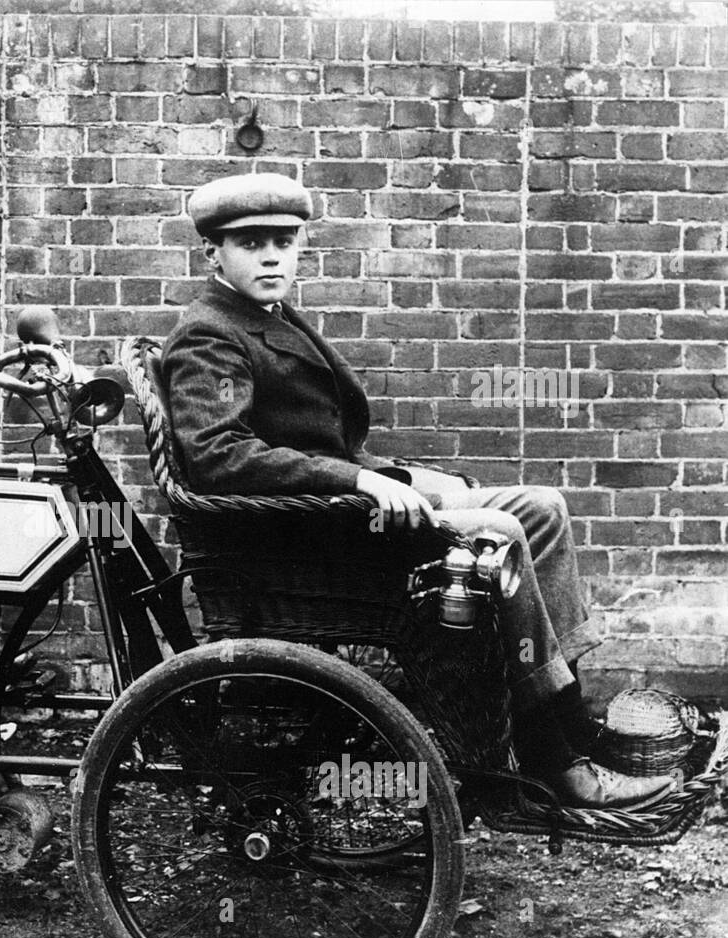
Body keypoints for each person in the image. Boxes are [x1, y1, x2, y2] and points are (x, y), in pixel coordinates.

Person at [162, 172, 675, 809]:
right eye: (250, 243)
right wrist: (361, 480)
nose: (271, 255)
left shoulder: (264, 314)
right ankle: (553, 761)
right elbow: (220, 456)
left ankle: (570, 719)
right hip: (307, 537)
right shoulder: (210, 332)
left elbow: (320, 439)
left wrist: (402, 478)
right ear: (213, 253)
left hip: (345, 508)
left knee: (542, 509)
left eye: (284, 240)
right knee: (502, 534)